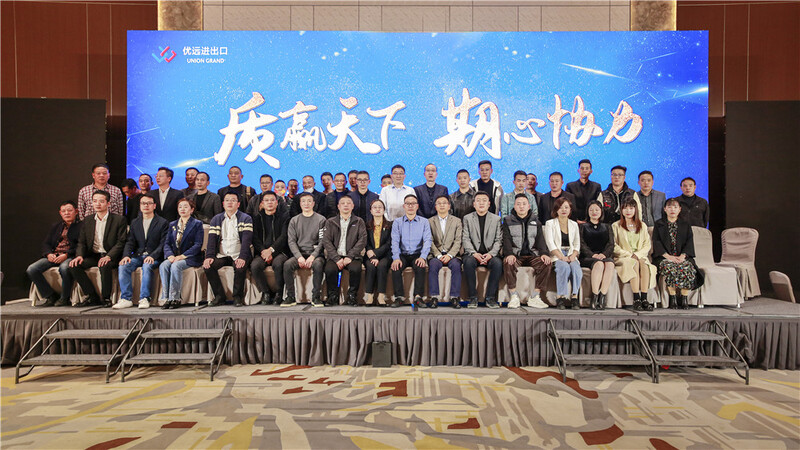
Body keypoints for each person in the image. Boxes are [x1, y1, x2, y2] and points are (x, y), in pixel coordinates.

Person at [68, 190, 127, 307]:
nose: (97, 204)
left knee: (104, 265)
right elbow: (82, 242)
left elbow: (121, 242)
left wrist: (109, 256)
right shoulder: (88, 220)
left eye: (101, 201)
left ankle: (106, 298)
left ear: (108, 203)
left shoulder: (119, 220)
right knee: (74, 266)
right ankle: (92, 296)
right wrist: (79, 255)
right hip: (94, 255)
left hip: (111, 255)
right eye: (95, 201)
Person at [114, 196, 169, 309]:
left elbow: (163, 243)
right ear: (140, 206)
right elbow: (130, 242)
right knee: (124, 265)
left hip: (155, 256)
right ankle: (126, 298)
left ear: (154, 206)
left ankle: (145, 298)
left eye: (149, 203)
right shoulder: (135, 222)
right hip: (138, 255)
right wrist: (126, 256)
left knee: (147, 265)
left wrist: (153, 256)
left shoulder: (162, 222)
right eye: (143, 203)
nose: (146, 206)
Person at [27, 201, 82, 307]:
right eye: (63, 211)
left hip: (70, 256)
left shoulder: (82, 226)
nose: (66, 213)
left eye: (69, 210)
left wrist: (66, 255)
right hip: (54, 255)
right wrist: (48, 254)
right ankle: (50, 296)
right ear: (60, 213)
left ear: (76, 211)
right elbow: (46, 243)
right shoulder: (56, 226)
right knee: (32, 269)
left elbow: (81, 245)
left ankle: (65, 298)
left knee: (64, 268)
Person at [502, 194, 552, 309]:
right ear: (514, 206)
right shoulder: (508, 221)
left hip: (532, 255)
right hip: (516, 255)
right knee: (508, 262)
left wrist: (544, 254)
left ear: (529, 206)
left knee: (546, 263)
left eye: (524, 204)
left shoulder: (536, 221)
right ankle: (514, 296)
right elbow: (506, 240)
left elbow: (540, 240)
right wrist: (509, 254)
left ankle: (535, 296)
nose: (521, 206)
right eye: (518, 204)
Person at [203, 192, 253, 307]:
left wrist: (242, 257)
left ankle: (237, 297)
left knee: (240, 267)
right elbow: (211, 240)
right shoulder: (216, 219)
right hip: (222, 255)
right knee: (208, 266)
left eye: (233, 200)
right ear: (223, 204)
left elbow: (247, 241)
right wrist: (209, 256)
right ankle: (219, 296)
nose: (230, 202)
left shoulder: (245, 218)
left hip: (238, 254)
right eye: (227, 200)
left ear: (238, 204)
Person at [652, 198, 703, 309]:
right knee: (670, 267)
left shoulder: (685, 224)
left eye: (675, 207)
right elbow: (656, 242)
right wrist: (668, 256)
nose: (672, 210)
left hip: (682, 257)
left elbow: (689, 242)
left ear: (679, 209)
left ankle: (684, 298)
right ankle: (673, 297)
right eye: (669, 207)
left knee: (687, 267)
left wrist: (683, 256)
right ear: (665, 209)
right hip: (664, 257)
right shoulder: (659, 224)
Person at [159, 198, 204, 309]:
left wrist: (182, 256)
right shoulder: (172, 224)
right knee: (164, 265)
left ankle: (175, 298)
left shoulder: (197, 224)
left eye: (185, 207)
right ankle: (167, 297)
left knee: (176, 266)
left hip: (190, 257)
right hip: (175, 256)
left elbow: (198, 245)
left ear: (191, 210)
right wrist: (170, 255)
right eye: (180, 207)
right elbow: (167, 243)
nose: (182, 209)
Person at [283, 193, 327, 307]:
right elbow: (291, 241)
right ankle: (290, 296)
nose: (306, 204)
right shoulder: (294, 220)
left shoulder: (321, 219)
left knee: (318, 264)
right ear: (300, 204)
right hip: (300, 254)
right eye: (303, 201)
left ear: (313, 203)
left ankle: (316, 296)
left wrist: (313, 256)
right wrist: (299, 257)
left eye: (309, 201)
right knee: (287, 265)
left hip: (315, 254)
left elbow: (322, 241)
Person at [612, 198, 656, 311]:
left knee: (645, 264)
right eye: (625, 208)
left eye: (631, 208)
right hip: (623, 257)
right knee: (634, 263)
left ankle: (644, 298)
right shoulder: (616, 226)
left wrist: (638, 254)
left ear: (635, 210)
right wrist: (629, 254)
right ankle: (636, 298)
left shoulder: (642, 225)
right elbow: (614, 246)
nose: (628, 211)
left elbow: (647, 245)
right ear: (621, 210)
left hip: (640, 255)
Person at [322, 196, 367, 306]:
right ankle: (332, 296)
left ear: (353, 206)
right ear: (338, 206)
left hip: (353, 256)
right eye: (343, 203)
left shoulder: (359, 221)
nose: (346, 205)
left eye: (348, 203)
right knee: (330, 269)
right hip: (335, 256)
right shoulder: (330, 222)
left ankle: (352, 296)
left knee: (355, 269)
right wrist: (337, 258)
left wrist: (350, 256)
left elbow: (362, 240)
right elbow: (326, 241)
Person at [462, 191, 503, 308]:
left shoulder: (496, 219)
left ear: (489, 204)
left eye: (484, 200)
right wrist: (474, 253)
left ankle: (490, 298)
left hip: (490, 254)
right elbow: (465, 239)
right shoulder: (467, 218)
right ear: (474, 204)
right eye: (478, 200)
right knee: (468, 262)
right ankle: (472, 297)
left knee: (498, 264)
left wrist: (491, 254)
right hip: (473, 254)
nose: (481, 203)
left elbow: (498, 240)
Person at [390, 194, 432, 308]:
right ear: (404, 206)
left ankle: (418, 297)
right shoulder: (397, 222)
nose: (410, 206)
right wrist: (396, 258)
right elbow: (395, 241)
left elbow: (428, 240)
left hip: (417, 254)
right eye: (408, 203)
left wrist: (423, 257)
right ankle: (399, 297)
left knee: (420, 266)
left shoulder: (424, 222)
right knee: (395, 267)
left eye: (413, 203)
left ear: (417, 206)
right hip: (402, 254)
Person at [250, 192, 290, 306]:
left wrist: (271, 250)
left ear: (277, 203)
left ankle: (279, 293)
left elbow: (284, 236)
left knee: (278, 264)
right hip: (262, 252)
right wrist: (263, 251)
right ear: (262, 203)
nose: (269, 203)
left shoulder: (284, 217)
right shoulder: (256, 218)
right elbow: (255, 238)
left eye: (272, 200)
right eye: (266, 200)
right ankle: (265, 292)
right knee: (255, 266)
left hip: (280, 251)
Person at [544, 198, 583, 309]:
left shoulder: (574, 224)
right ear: (556, 209)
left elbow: (577, 244)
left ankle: (574, 297)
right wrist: (561, 257)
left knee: (576, 269)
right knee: (564, 267)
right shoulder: (550, 223)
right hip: (557, 255)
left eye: (566, 207)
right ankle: (560, 297)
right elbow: (550, 243)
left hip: (571, 254)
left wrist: (573, 256)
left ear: (570, 209)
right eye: (560, 207)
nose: (564, 210)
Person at [579, 200, 616, 310]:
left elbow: (611, 244)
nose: (594, 212)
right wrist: (592, 255)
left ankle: (602, 297)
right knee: (599, 264)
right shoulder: (583, 226)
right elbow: (581, 244)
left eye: (597, 210)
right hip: (588, 257)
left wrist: (604, 254)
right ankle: (594, 297)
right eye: (591, 210)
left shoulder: (607, 226)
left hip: (603, 256)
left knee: (610, 264)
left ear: (601, 211)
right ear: (587, 212)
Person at [427, 195, 463, 309]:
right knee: (433, 265)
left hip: (452, 254)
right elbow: (429, 240)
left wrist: (450, 255)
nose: (442, 205)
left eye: (444, 203)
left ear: (449, 206)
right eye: (439, 203)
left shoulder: (457, 221)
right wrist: (438, 255)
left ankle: (454, 297)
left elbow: (458, 240)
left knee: (456, 266)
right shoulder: (429, 221)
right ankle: (434, 297)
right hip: (436, 254)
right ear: (435, 206)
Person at [364, 199, 393, 306]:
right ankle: (369, 295)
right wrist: (372, 256)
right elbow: (365, 242)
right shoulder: (366, 225)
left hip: (385, 255)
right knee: (370, 266)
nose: (377, 209)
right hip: (370, 255)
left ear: (384, 210)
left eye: (380, 207)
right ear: (370, 210)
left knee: (382, 265)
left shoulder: (390, 225)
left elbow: (389, 243)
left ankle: (381, 296)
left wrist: (375, 253)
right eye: (375, 207)